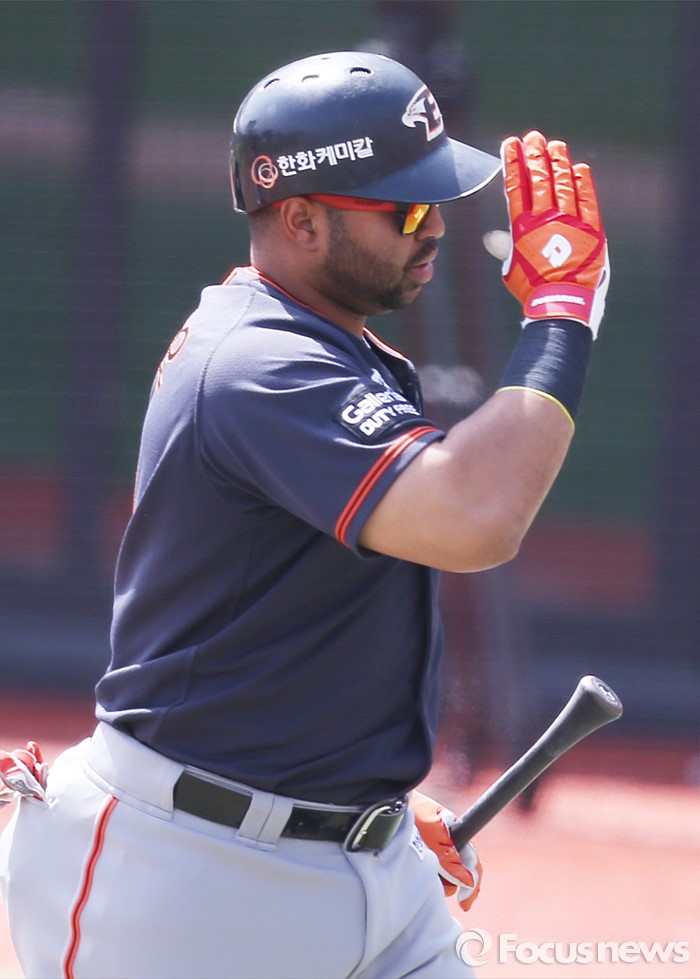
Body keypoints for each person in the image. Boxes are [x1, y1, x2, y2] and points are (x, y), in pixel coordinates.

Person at [0, 50, 609, 979]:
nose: (435, 225)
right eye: (405, 208)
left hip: (355, 868)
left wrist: (364, 819)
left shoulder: (327, 344)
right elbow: (474, 516)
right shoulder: (258, 362)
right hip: (185, 878)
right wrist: (561, 314)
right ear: (301, 218)